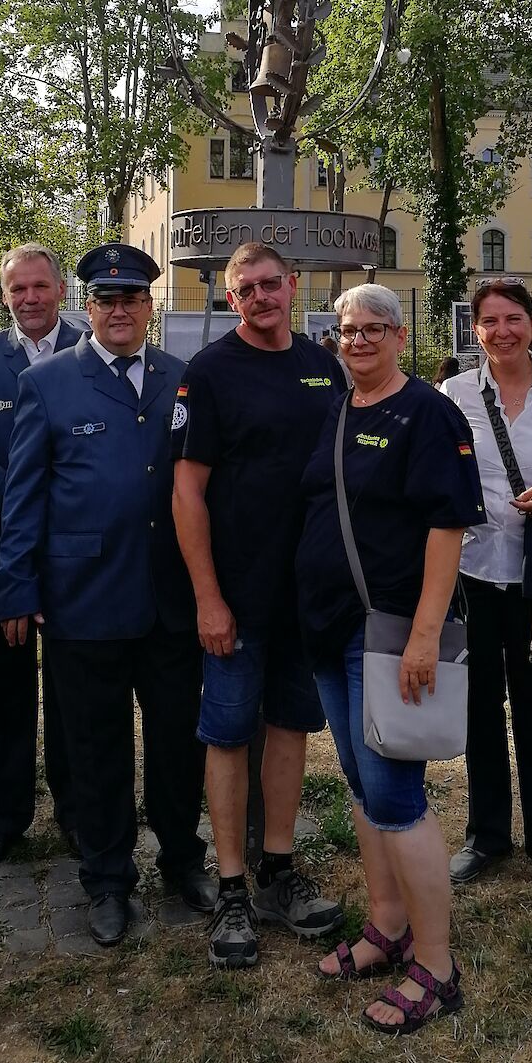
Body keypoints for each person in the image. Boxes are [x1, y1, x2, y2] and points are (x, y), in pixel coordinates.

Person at [0, 244, 213, 945]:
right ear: (85, 306)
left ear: (151, 307)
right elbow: (22, 497)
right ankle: (107, 879)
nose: (119, 311)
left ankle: (183, 861)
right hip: (83, 597)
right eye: (106, 299)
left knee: (180, 741)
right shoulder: (51, 382)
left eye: (132, 299)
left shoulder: (183, 379)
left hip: (170, 599)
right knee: (96, 746)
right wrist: (15, 588)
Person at [297, 284, 484, 1034]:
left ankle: (436, 966)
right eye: (349, 330)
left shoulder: (429, 415)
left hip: (388, 636)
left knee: (397, 797)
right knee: (362, 787)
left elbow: (448, 528)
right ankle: (387, 925)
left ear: (401, 337)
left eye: (376, 329)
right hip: (329, 630)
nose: (361, 341)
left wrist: (423, 636)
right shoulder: (338, 409)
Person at [172, 243, 345, 969]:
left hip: (306, 595)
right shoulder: (208, 373)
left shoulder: (324, 364)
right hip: (236, 600)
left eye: (272, 284)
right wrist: (208, 596)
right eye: (246, 289)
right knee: (226, 734)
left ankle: (279, 870)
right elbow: (187, 491)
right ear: (230, 298)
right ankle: (234, 889)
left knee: (288, 730)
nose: (261, 297)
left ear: (293, 285)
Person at [440, 278, 532, 899]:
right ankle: (486, 836)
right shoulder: (452, 395)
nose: (502, 331)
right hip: (472, 576)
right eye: (490, 321)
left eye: (514, 319)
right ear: (475, 330)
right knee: (477, 709)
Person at [0, 243, 88, 872]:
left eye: (39, 287)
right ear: (5, 296)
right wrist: (22, 496)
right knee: (6, 684)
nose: (29, 299)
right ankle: (4, 815)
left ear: (60, 290)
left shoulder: (92, 351)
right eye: (17, 290)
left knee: (71, 686)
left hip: (76, 555)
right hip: (5, 547)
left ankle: (76, 810)